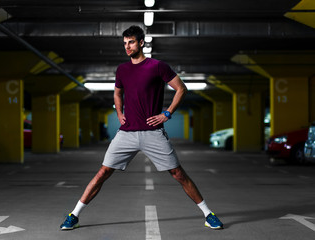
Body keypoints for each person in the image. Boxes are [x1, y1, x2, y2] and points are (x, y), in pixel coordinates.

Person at [60, 25, 223, 231]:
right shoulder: (122, 69)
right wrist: (119, 113)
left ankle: (208, 214)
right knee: (103, 172)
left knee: (178, 173)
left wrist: (167, 113)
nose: (127, 47)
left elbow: (181, 88)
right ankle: (73, 215)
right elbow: (117, 93)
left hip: (153, 133)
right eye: (125, 43)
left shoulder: (158, 66)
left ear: (141, 43)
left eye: (131, 42)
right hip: (126, 133)